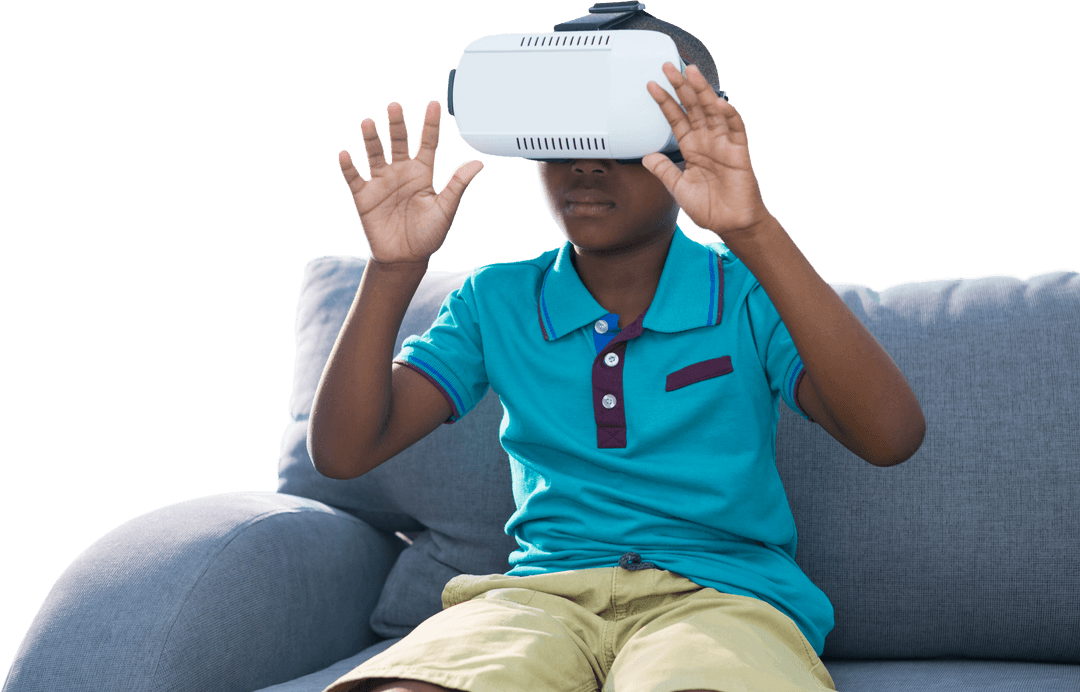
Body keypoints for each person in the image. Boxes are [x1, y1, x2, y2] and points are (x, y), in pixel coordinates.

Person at [308, 14, 925, 692]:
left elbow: (891, 436)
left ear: (692, 140)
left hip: (721, 601)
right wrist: (393, 269)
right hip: (542, 600)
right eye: (564, 131)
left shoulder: (747, 291)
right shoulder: (496, 302)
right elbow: (344, 452)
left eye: (624, 133)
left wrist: (753, 230)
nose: (589, 162)